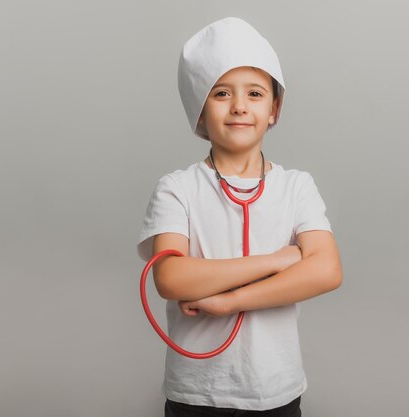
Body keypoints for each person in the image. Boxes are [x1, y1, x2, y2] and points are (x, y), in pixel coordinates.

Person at [137, 17, 343, 416]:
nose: (239, 107)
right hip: (196, 393)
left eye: (254, 93)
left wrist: (230, 301)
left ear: (274, 109)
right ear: (199, 111)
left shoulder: (297, 186)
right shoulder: (177, 188)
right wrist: (278, 260)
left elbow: (326, 270)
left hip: (276, 390)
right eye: (220, 94)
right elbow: (171, 277)